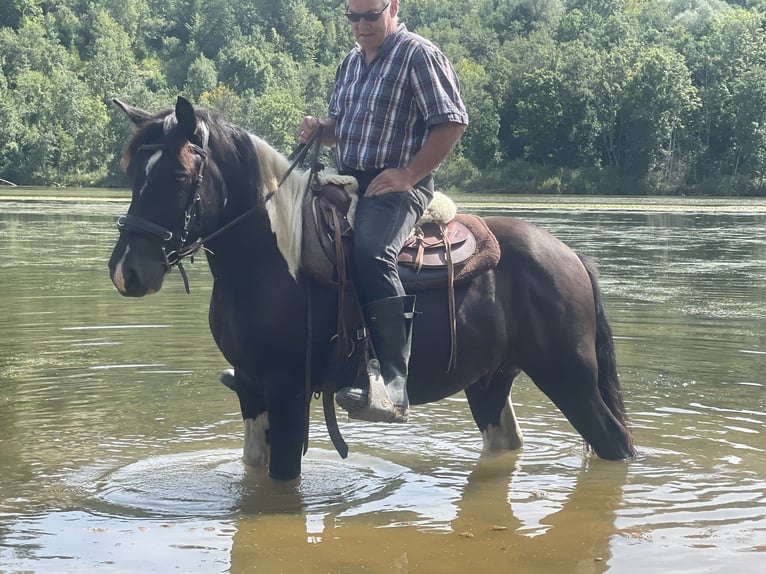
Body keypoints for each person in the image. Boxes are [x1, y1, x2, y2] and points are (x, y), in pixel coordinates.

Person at [298, 0, 468, 423]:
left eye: (370, 15)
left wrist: (409, 174)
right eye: (352, 17)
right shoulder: (350, 63)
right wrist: (321, 129)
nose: (360, 25)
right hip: (347, 179)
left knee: (372, 253)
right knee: (297, 241)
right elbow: (342, 128)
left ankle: (394, 383)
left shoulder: (418, 53)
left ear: (392, 6)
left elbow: (451, 121)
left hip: (396, 184)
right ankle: (294, 361)